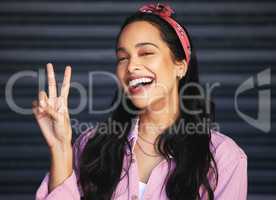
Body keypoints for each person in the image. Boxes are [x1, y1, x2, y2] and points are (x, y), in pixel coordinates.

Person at [33, 3, 247, 200]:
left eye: (145, 53)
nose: (131, 66)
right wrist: (61, 149)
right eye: (122, 58)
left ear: (180, 66)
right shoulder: (91, 145)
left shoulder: (224, 158)